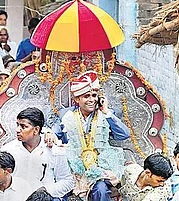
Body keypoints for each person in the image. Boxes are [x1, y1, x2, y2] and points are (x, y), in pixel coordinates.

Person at [52, 70, 130, 200]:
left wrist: (106, 111)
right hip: (73, 167)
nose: (91, 100)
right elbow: (54, 132)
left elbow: (124, 135)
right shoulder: (67, 115)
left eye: (94, 96)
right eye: (86, 96)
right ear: (77, 99)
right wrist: (50, 134)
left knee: (100, 190)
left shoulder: (105, 114)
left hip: (99, 167)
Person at [1, 107, 74, 199]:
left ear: (36, 130)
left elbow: (67, 181)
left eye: (23, 126)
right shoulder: (8, 150)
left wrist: (45, 190)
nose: (18, 130)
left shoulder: (54, 150)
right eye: (17, 125)